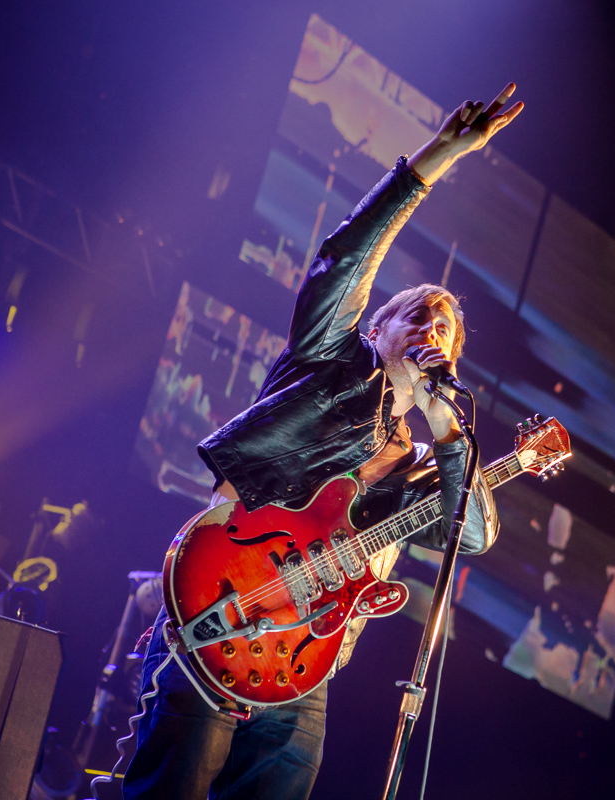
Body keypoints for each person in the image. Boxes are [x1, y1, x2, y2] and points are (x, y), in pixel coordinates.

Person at [121, 83, 524, 800]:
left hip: (308, 661)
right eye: (420, 318)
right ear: (377, 330)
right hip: (230, 600)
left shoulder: (423, 458)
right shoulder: (331, 362)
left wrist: (453, 437)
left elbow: (476, 535)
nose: (434, 333)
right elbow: (343, 261)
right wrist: (433, 160)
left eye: (446, 332)